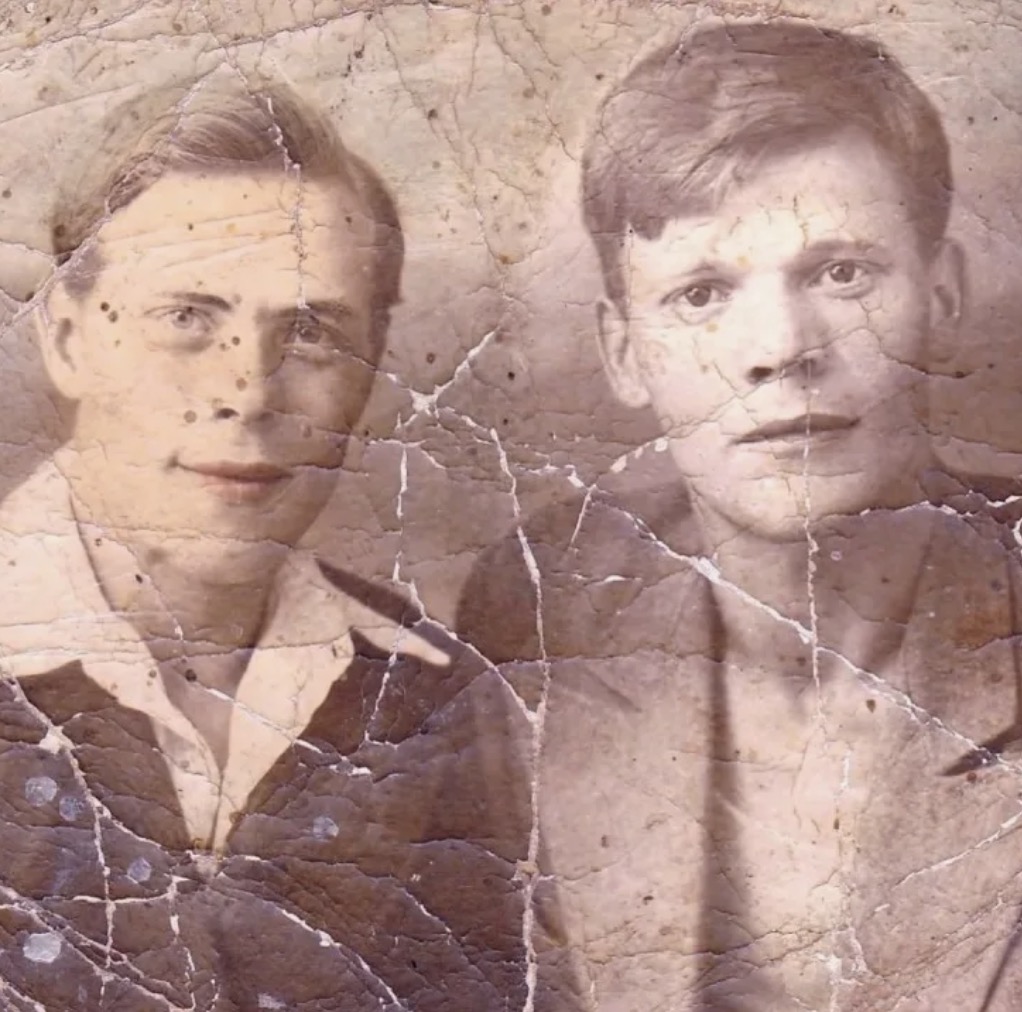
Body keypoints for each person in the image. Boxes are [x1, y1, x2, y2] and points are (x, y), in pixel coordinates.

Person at [458, 20, 1022, 1011]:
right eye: (700, 293)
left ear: (942, 294)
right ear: (624, 352)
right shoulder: (543, 605)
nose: (778, 347)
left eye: (840, 273)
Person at [0, 73, 531, 1011]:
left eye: (312, 332)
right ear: (68, 341)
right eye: (186, 319)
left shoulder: (428, 693)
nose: (249, 392)